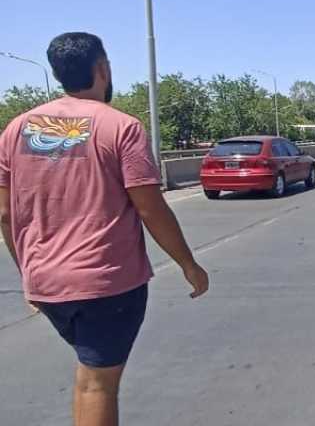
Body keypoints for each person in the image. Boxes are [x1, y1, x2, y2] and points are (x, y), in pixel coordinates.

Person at [0, 32, 209, 426]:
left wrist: (29, 273)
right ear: (102, 68)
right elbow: (149, 207)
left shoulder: (16, 130)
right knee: (100, 385)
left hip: (46, 283)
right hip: (104, 284)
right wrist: (188, 264)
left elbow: (7, 215)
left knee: (89, 375)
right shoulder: (121, 127)